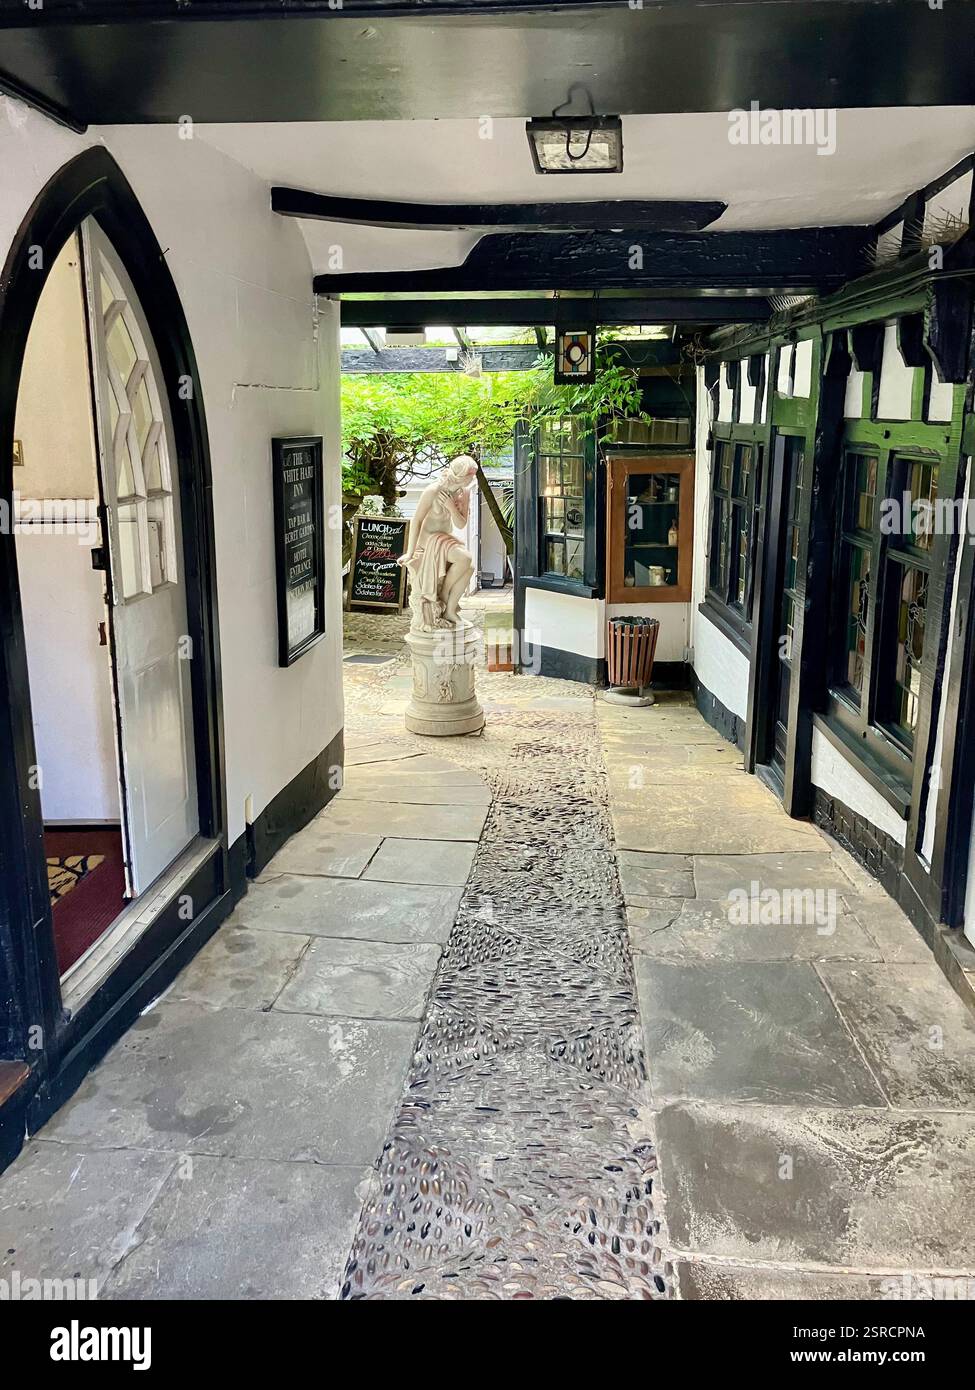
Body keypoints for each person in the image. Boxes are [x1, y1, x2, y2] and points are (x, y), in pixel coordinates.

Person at [398, 455, 477, 629]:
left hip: (446, 539)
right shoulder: (433, 491)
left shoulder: (464, 492)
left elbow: (461, 523)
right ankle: (443, 593)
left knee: (469, 568)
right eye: (470, 475)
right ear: (460, 476)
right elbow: (416, 520)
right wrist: (410, 553)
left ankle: (449, 610)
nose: (473, 479)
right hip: (429, 542)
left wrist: (450, 507)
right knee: (465, 558)